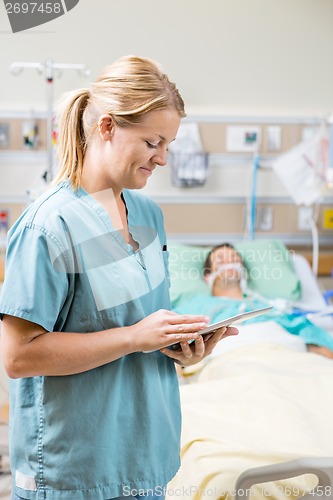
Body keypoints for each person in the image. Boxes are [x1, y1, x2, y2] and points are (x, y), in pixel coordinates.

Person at [0, 56, 238, 500]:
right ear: (107, 127)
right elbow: (18, 357)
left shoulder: (147, 215)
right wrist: (133, 337)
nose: (163, 158)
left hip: (147, 453)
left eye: (168, 144)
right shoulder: (48, 227)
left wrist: (182, 348)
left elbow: (142, 327)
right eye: (153, 141)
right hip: (76, 468)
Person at [175, 243, 333, 359]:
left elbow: (311, 336)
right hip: (229, 358)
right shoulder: (194, 305)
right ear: (208, 276)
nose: (230, 263)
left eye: (234, 259)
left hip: (287, 354)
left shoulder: (268, 307)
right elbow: (176, 346)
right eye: (222, 260)